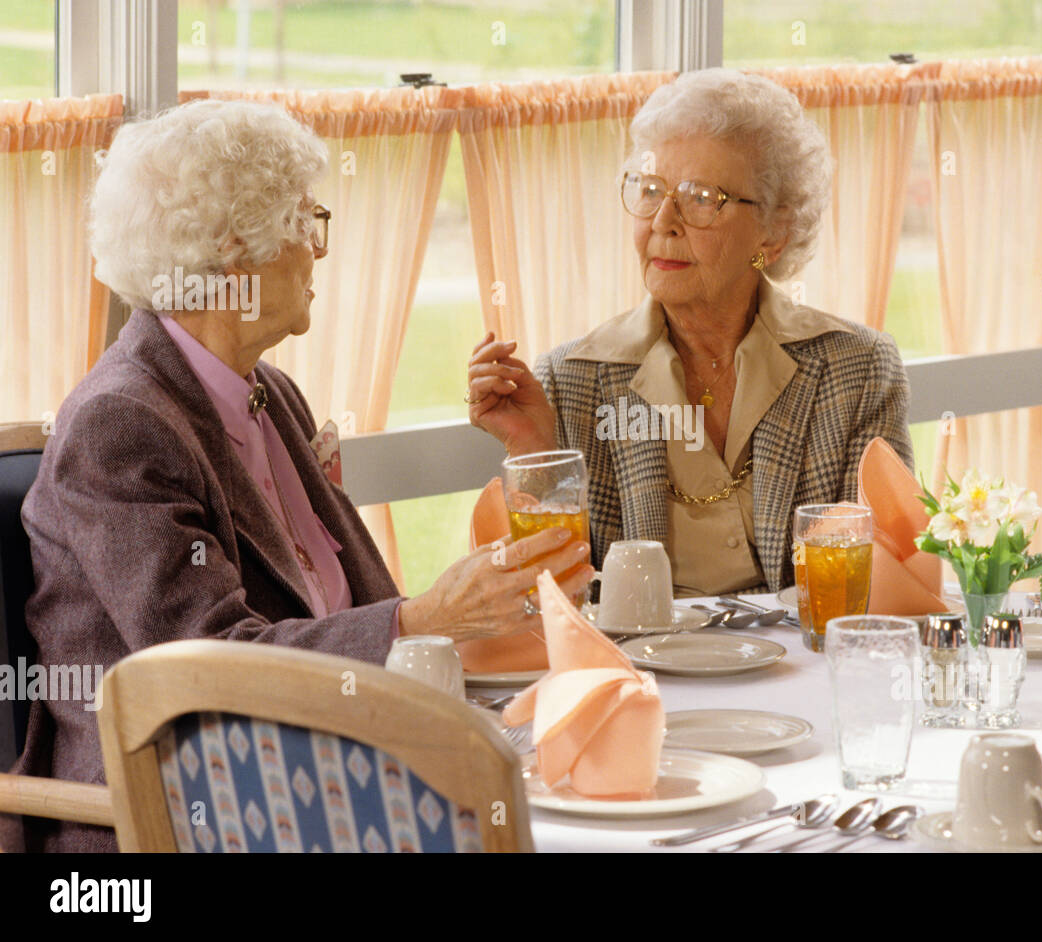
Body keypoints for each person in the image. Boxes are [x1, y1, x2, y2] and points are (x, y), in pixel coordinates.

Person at [2, 99, 592, 853]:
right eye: (305, 223)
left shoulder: (266, 392)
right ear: (234, 247)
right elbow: (208, 665)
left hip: (320, 764)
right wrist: (425, 619)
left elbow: (352, 607)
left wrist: (458, 611)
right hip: (183, 809)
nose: (317, 250)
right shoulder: (120, 424)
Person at [467, 69, 912, 596]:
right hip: (641, 671)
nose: (663, 220)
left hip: (802, 669)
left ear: (773, 233)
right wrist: (534, 452)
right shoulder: (572, 381)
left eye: (702, 197)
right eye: (650, 190)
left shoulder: (857, 368)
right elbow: (552, 602)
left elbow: (885, 577)